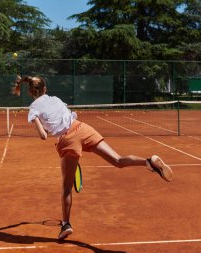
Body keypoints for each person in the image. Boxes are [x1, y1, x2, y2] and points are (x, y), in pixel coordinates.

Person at [12, 76, 173, 240]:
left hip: (67, 140)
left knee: (67, 188)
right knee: (118, 160)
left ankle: (66, 224)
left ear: (30, 92)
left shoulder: (33, 109)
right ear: (45, 89)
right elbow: (62, 116)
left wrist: (43, 125)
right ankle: (147, 161)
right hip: (82, 128)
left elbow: (43, 136)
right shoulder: (55, 99)